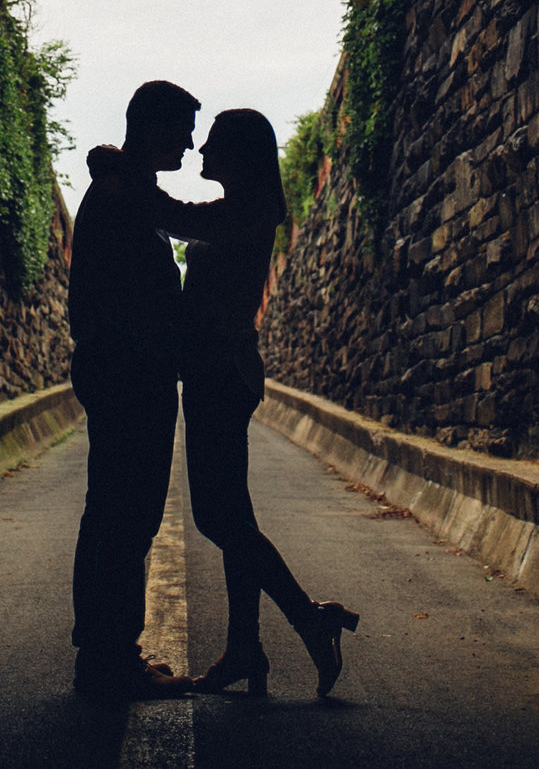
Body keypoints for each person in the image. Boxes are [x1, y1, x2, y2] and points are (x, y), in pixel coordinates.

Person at [91, 107, 359, 697]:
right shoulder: (248, 207)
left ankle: (311, 620)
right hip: (219, 373)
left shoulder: (248, 208)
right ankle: (245, 648)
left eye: (212, 142)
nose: (201, 149)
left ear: (239, 154)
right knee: (234, 515)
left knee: (218, 518)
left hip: (220, 375)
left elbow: (173, 216)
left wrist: (122, 169)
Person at [66, 80, 200, 700]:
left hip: (126, 376)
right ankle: (109, 659)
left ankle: (105, 653)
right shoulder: (120, 194)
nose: (191, 143)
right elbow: (121, 304)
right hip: (128, 379)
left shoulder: (125, 189)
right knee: (123, 516)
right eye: (182, 130)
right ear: (151, 128)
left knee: (119, 515)